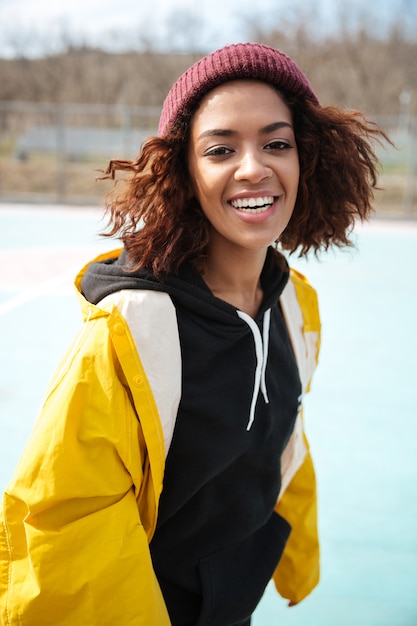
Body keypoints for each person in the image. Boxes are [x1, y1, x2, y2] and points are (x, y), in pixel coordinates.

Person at [0, 42, 386, 626]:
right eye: (221, 149)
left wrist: (297, 554)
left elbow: (283, 437)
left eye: (276, 143)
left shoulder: (293, 304)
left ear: (308, 160)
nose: (254, 167)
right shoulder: (130, 328)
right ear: (184, 172)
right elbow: (67, 519)